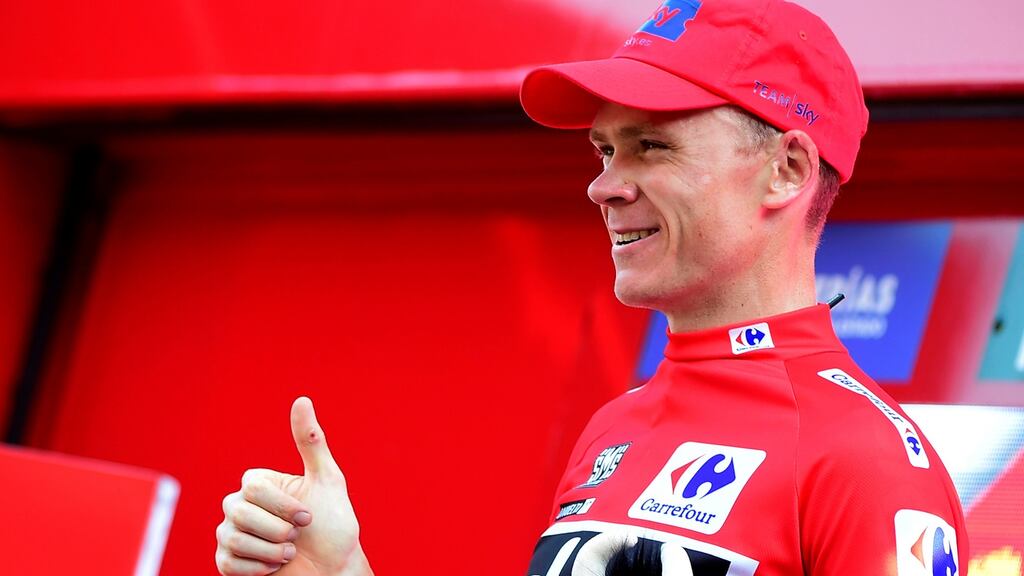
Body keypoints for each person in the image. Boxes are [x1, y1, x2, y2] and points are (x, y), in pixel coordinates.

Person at [215, 1, 969, 575]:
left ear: (788, 171)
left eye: (652, 146)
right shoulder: (615, 428)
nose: (604, 186)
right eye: (606, 149)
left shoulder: (861, 456)